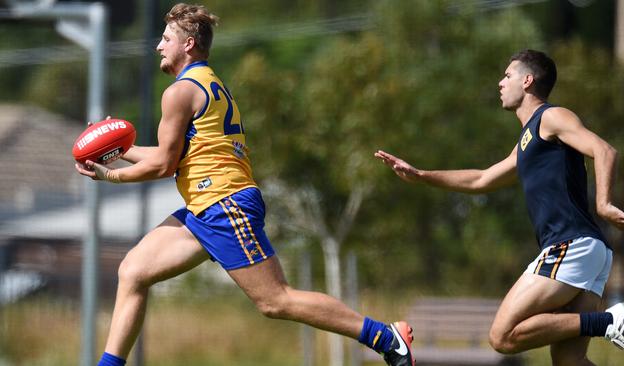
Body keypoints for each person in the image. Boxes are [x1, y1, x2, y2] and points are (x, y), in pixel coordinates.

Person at [75, 4, 414, 366]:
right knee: (133, 271)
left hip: (224, 204)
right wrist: (120, 150)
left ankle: (384, 336)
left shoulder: (179, 93)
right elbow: (170, 154)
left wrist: (108, 175)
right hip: (205, 207)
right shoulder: (209, 82)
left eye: (166, 39)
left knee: (276, 300)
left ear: (188, 44)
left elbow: (163, 165)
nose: (159, 46)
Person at [375, 49, 624, 366]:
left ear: (528, 80)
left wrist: (604, 203)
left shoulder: (551, 117)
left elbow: (604, 150)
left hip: (571, 244)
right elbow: (481, 179)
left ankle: (608, 323)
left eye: (508, 75)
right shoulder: (528, 140)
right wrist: (422, 176)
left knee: (502, 335)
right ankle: (606, 323)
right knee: (569, 362)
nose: (501, 82)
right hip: (588, 252)